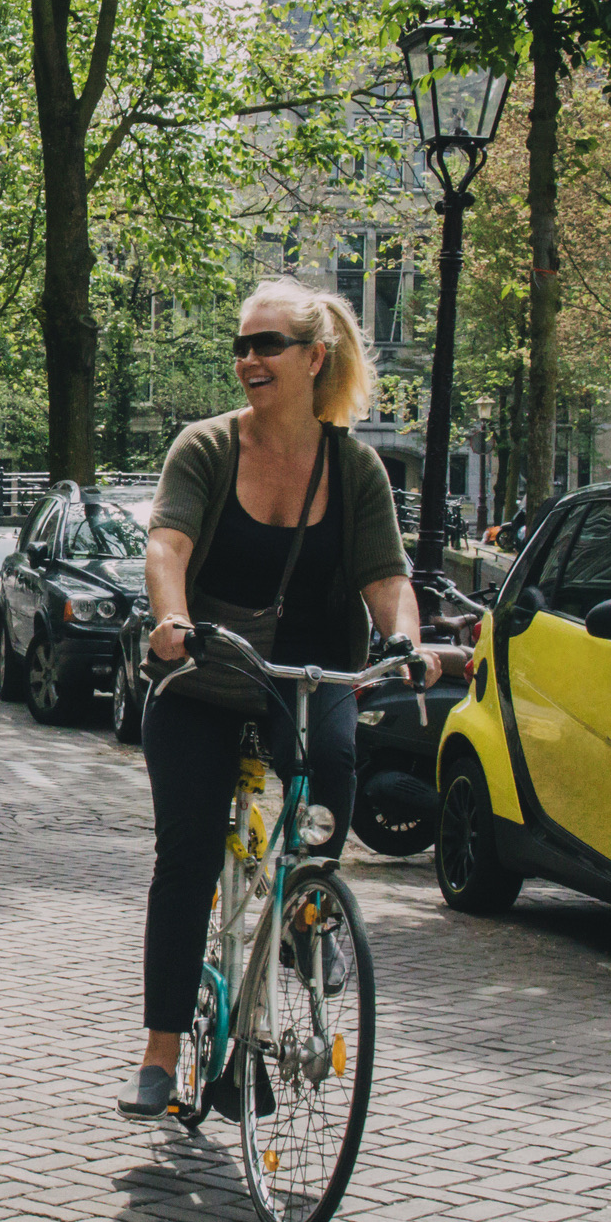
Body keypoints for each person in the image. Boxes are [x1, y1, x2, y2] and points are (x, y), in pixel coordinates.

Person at [119, 279, 443, 1121]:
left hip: (303, 675)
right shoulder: (206, 448)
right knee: (186, 856)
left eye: (267, 345)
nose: (248, 360)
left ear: (313, 358)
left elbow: (384, 576)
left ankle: (306, 914)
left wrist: (402, 639)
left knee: (333, 762)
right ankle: (160, 1052)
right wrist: (172, 619)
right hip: (205, 670)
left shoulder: (353, 464)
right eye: (242, 345)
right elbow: (168, 541)